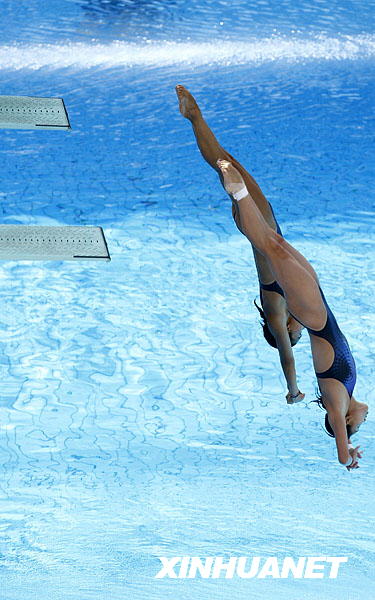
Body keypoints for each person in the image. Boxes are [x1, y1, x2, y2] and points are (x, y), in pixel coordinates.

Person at [215, 157, 368, 469]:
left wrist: (348, 451)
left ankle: (239, 193)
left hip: (313, 314)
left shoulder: (336, 403)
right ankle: (239, 197)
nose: (366, 419)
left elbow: (340, 454)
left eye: (359, 426)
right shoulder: (343, 395)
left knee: (271, 247)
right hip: (318, 308)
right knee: (277, 243)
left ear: (348, 421)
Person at [176, 84, 304, 404]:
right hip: (263, 225)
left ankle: (194, 116)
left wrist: (293, 391)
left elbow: (287, 359)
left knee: (222, 162)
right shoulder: (287, 301)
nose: (300, 329)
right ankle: (195, 117)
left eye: (296, 334)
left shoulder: (276, 312)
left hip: (259, 227)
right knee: (225, 160)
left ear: (284, 333)